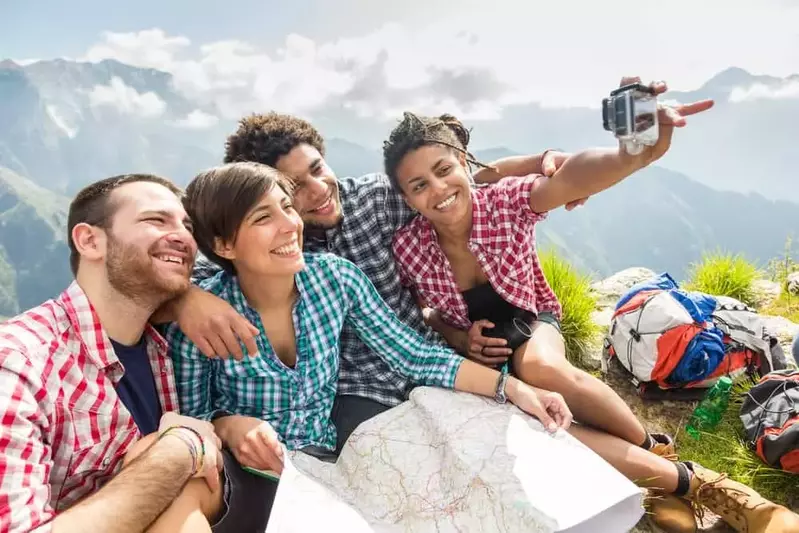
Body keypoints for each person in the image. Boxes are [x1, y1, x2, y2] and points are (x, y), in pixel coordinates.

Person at [383, 79, 799, 532]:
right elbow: (426, 311)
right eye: (419, 185)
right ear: (406, 198)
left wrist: (635, 152)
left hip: (532, 321)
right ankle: (666, 482)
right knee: (532, 417)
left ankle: (656, 449)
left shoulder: (501, 203)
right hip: (485, 356)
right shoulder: (409, 246)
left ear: (463, 162)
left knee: (541, 369)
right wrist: (460, 336)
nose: (438, 189)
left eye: (444, 170)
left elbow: (569, 178)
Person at [157, 113, 581, 440]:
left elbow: (457, 185)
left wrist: (540, 166)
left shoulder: (374, 203)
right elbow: (187, 272)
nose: (318, 190)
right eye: (293, 189)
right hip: (354, 389)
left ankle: (645, 466)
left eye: (318, 169)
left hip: (427, 356)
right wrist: (186, 299)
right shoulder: (264, 251)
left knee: (514, 428)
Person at [0, 175, 274, 533]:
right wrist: (179, 449)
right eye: (155, 220)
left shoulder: (165, 346)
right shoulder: (20, 363)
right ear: (90, 240)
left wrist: (185, 297)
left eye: (187, 226)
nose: (183, 237)